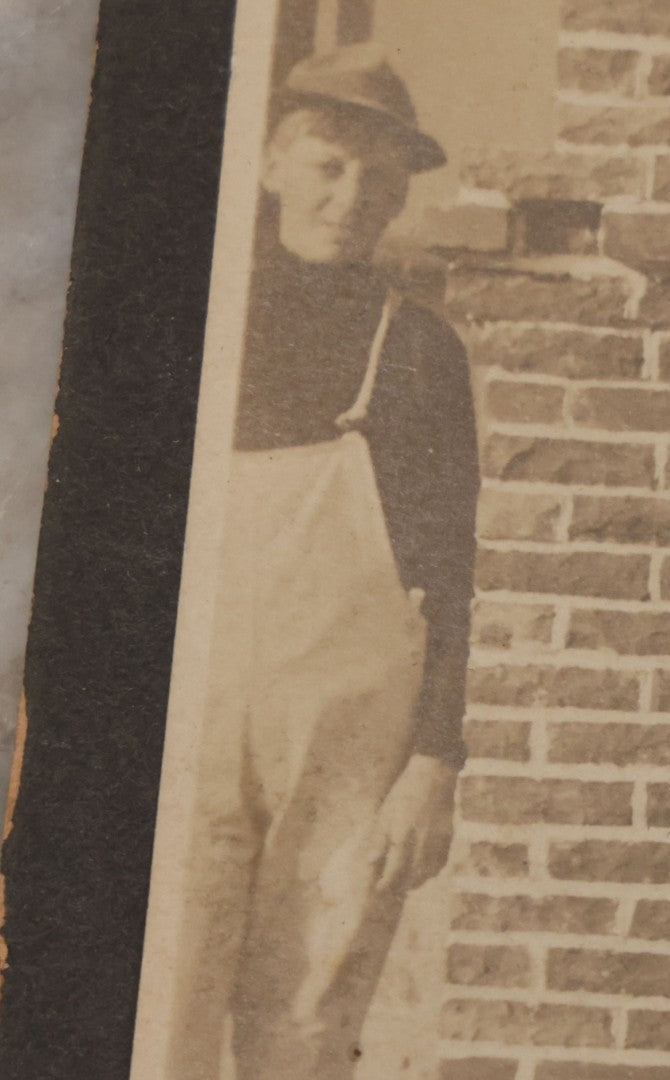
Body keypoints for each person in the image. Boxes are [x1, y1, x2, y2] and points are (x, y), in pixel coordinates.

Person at [169, 42, 480, 1080]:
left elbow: (451, 576)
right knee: (155, 1002)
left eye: (378, 179)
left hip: (348, 754)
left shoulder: (420, 352)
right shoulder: (196, 318)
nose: (352, 196)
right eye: (329, 164)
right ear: (271, 164)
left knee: (301, 1038)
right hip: (189, 722)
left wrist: (432, 765)